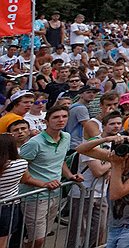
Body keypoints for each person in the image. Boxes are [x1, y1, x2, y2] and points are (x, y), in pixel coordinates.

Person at [75, 131, 129, 248]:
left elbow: (116, 194)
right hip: (116, 221)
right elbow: (80, 149)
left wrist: (116, 166)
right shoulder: (117, 158)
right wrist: (106, 139)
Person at [19, 106, 84, 248]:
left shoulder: (66, 137)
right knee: (38, 239)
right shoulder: (34, 143)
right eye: (56, 117)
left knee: (44, 235)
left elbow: (60, 161)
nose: (61, 120)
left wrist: (70, 176)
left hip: (55, 193)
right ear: (46, 121)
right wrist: (43, 184)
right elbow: (20, 170)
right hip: (34, 197)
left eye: (64, 116)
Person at [68, 112, 123, 248]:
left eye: (118, 123)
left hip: (101, 193)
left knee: (99, 231)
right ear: (104, 126)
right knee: (79, 232)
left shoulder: (119, 142)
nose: (116, 127)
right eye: (112, 124)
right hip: (83, 194)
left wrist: (112, 165)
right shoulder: (91, 145)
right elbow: (98, 171)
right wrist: (116, 162)